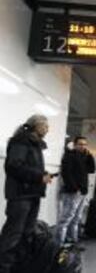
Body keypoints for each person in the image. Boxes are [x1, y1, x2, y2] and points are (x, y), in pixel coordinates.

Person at [0, 115, 53, 273]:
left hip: (32, 194)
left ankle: (18, 265)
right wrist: (39, 176)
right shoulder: (21, 141)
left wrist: (43, 175)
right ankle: (4, 267)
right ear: (36, 126)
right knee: (13, 234)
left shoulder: (34, 144)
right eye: (45, 126)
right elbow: (14, 166)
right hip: (20, 195)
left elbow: (28, 167)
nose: (47, 129)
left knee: (26, 233)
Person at [56, 136, 96, 248]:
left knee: (77, 217)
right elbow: (66, 173)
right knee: (67, 217)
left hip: (82, 192)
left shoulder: (84, 157)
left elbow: (92, 169)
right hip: (72, 192)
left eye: (84, 144)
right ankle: (59, 244)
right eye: (80, 144)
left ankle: (73, 241)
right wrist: (74, 188)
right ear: (75, 144)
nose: (82, 146)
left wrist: (90, 155)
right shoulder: (69, 156)